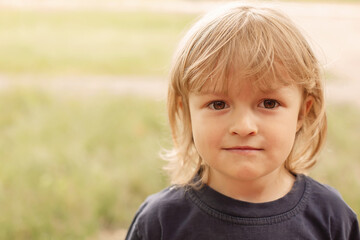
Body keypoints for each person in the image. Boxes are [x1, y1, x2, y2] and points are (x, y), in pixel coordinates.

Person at [125, 3, 360, 239]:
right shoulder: (161, 222)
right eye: (218, 104)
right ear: (186, 113)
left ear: (301, 113)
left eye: (269, 103)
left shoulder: (331, 218)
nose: (244, 127)